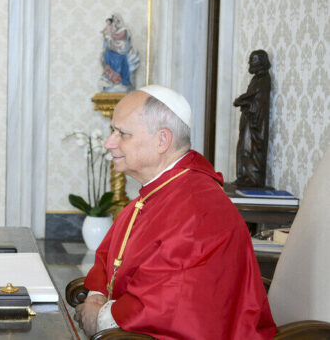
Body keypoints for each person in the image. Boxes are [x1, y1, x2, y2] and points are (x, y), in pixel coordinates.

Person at [74, 85, 275, 339]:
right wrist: (95, 298)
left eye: (122, 133)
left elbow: (169, 305)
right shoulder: (158, 191)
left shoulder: (198, 210)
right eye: (112, 131)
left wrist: (100, 316)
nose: (109, 142)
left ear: (162, 140)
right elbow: (110, 257)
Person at [234, 49, 272, 188]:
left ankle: (253, 179)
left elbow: (258, 104)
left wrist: (242, 102)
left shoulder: (264, 80)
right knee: (243, 149)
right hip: (249, 122)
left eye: (252, 60)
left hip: (255, 124)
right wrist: (242, 100)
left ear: (261, 62)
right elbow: (251, 96)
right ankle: (244, 177)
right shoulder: (256, 79)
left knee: (251, 151)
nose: (249, 63)